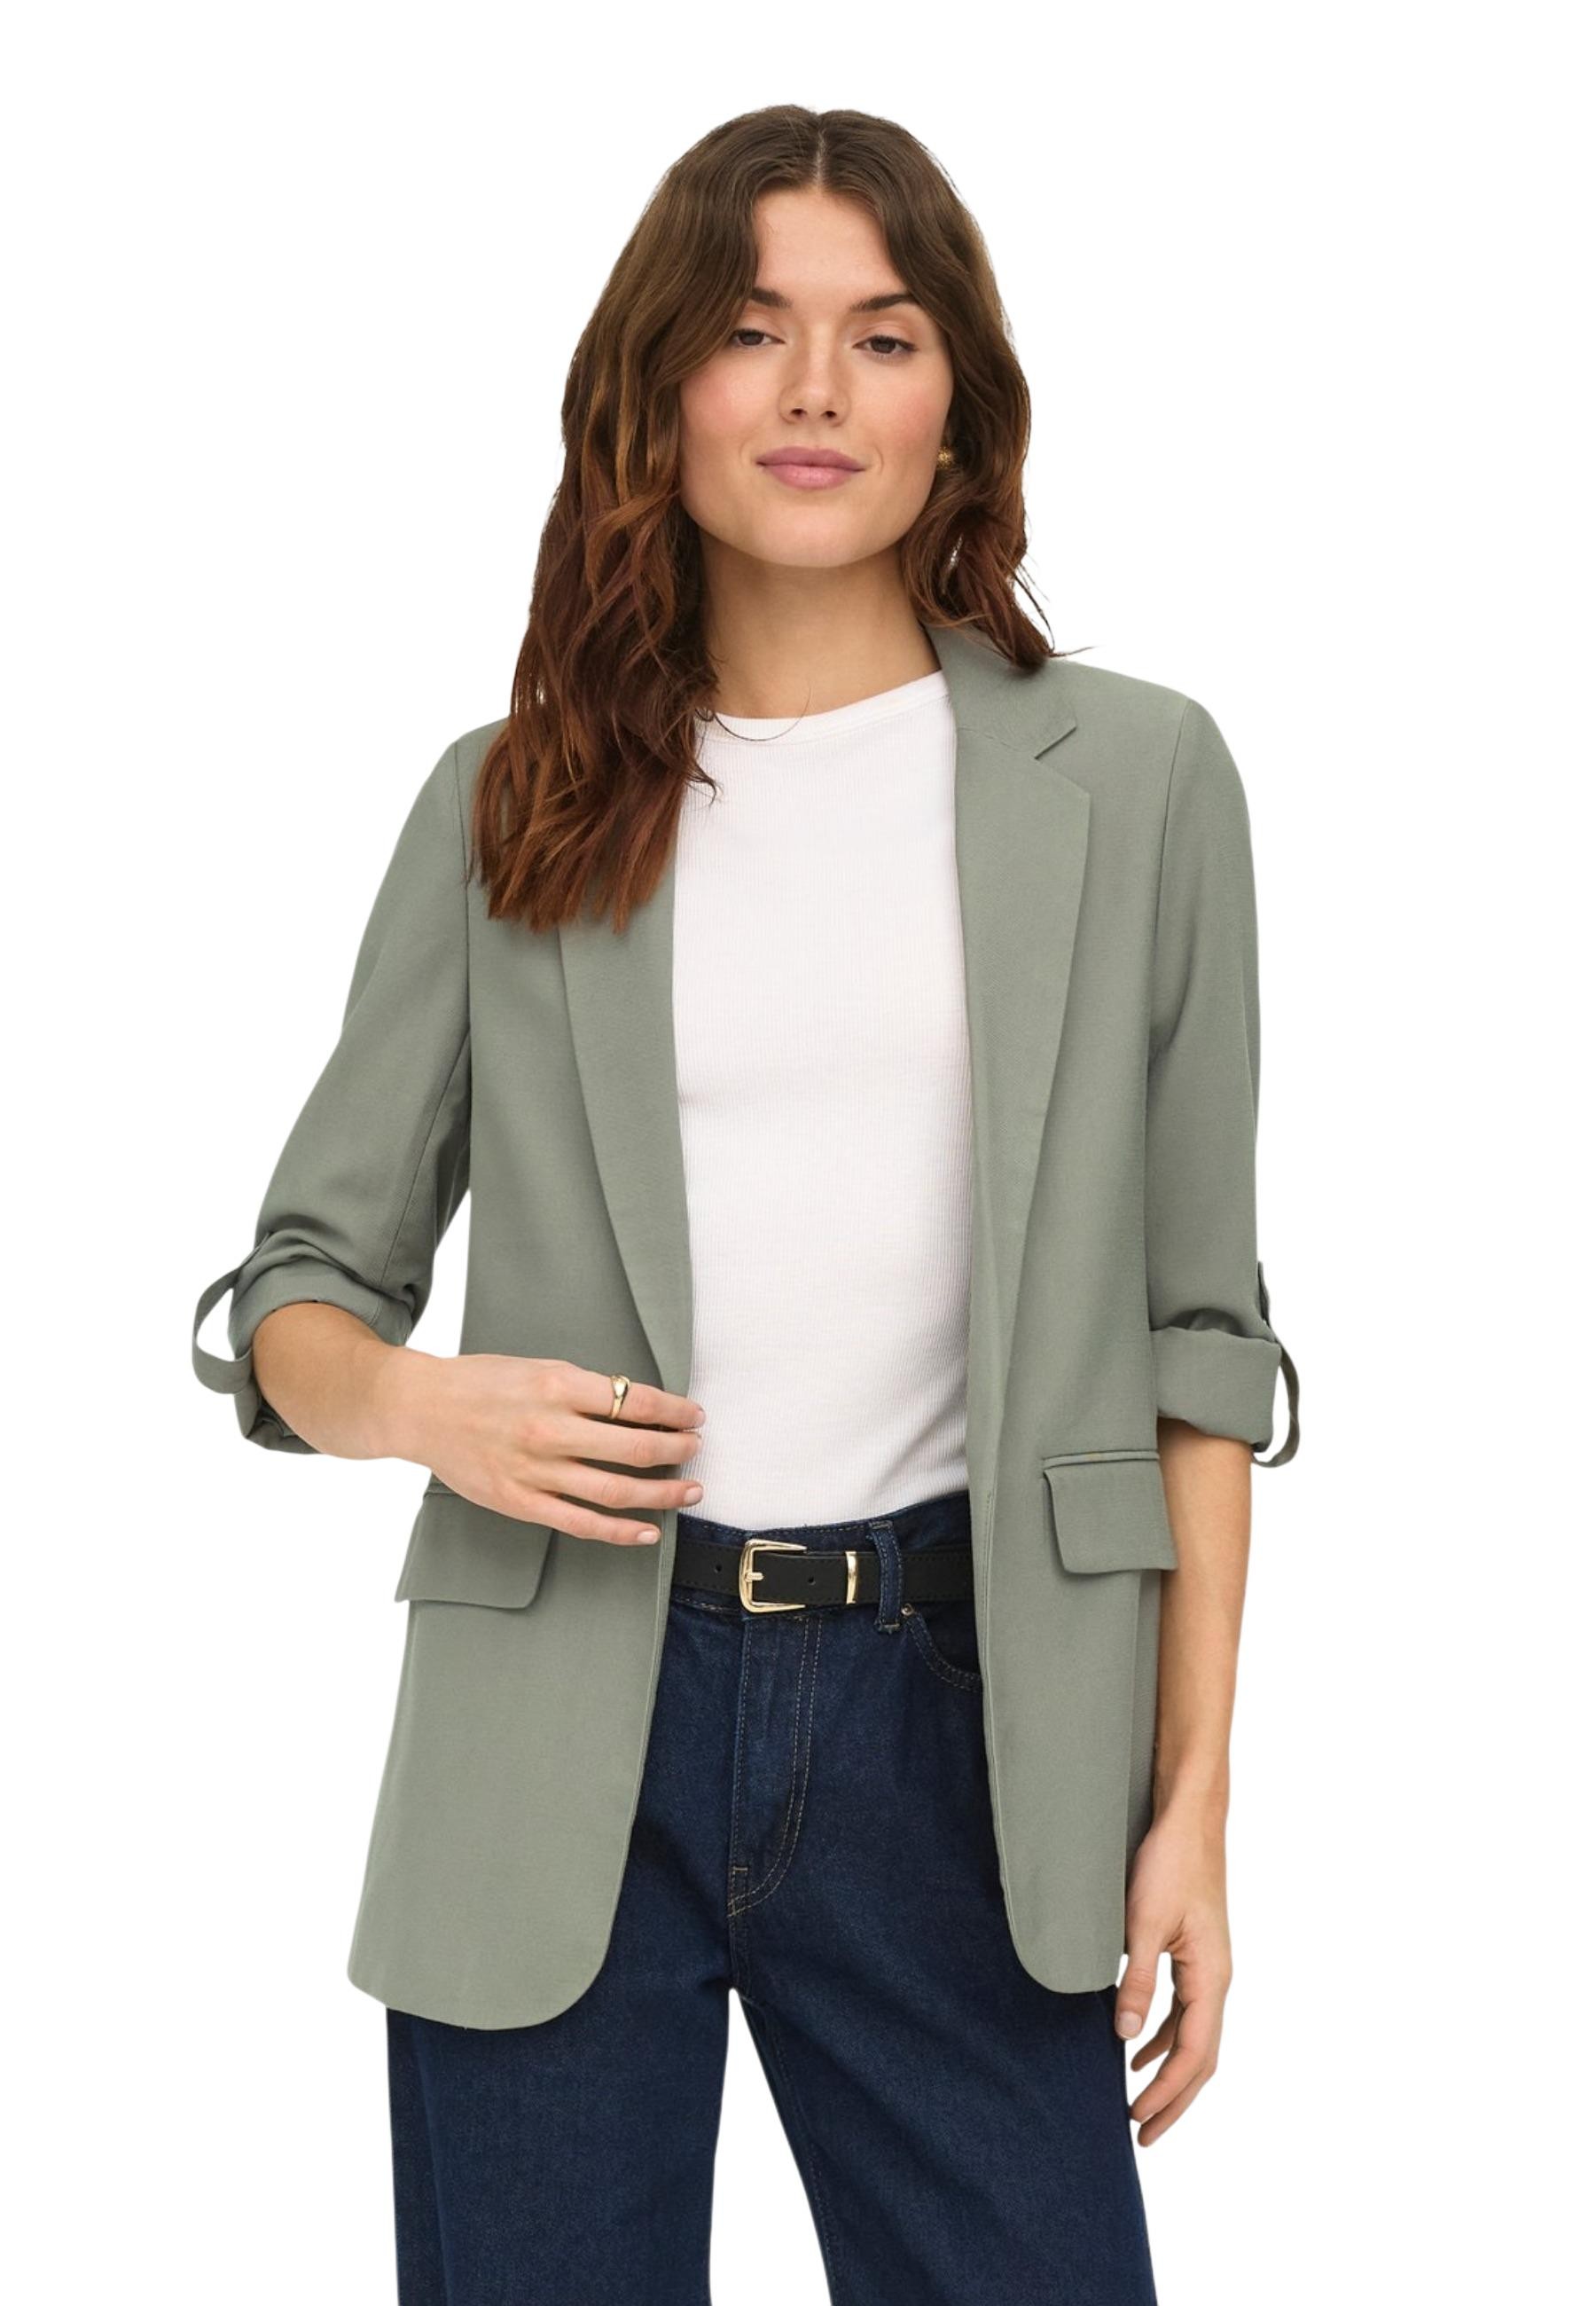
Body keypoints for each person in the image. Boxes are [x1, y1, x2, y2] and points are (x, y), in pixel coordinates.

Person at [190, 103, 1300, 2306]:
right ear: (659, 389)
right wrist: (426, 1406)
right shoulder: (510, 803)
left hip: (962, 1721)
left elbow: (1201, 1334)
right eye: (749, 328)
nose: (813, 391)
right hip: (561, 1722)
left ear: (957, 402)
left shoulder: (1138, 780)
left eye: (881, 336)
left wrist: (1193, 1801)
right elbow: (296, 1287)